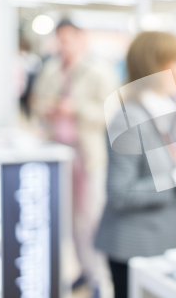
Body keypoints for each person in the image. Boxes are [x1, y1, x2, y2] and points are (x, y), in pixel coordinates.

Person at [95, 32, 176, 298]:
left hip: (164, 240)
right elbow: (120, 193)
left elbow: (170, 167)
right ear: (155, 65)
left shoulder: (169, 109)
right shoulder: (127, 119)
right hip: (132, 246)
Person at [31, 19, 118, 298]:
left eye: (68, 40)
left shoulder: (98, 71)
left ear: (82, 39)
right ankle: (84, 270)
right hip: (57, 153)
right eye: (60, 40)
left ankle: (99, 281)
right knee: (66, 218)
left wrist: (75, 109)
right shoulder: (52, 68)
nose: (63, 46)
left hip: (87, 155)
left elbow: (111, 115)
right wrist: (50, 109)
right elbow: (36, 100)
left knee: (89, 219)